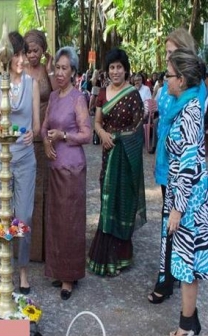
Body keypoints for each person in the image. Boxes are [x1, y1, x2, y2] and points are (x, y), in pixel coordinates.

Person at [148, 28, 207, 304]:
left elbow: (188, 159)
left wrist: (178, 207)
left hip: (186, 184)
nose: (167, 62)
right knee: (172, 235)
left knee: (182, 238)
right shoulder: (174, 95)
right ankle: (169, 279)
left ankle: (186, 315)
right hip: (169, 172)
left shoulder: (193, 102)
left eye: (172, 54)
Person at [0, 31, 40, 294]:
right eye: (16, 54)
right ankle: (5, 269)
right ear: (7, 57)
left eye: (23, 53)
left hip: (25, 157)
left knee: (25, 215)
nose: (21, 59)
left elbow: (37, 126)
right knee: (4, 218)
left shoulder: (32, 83)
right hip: (0, 156)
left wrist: (33, 132)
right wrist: (3, 103)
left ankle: (23, 269)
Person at [87, 48, 146, 277]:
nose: (115, 71)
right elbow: (98, 121)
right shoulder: (103, 93)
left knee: (122, 201)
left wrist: (119, 137)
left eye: (119, 67)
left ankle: (120, 256)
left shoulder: (132, 94)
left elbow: (138, 129)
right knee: (106, 199)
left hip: (125, 157)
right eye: (112, 67)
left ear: (126, 69)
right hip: (108, 155)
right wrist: (102, 134)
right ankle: (105, 254)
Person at [41, 46, 91, 300]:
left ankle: (69, 277)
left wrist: (63, 136)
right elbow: (44, 127)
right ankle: (58, 271)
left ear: (73, 72)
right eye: (57, 68)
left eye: (64, 68)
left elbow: (87, 134)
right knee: (56, 222)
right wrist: (48, 142)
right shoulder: (53, 97)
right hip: (54, 167)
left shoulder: (77, 98)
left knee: (70, 223)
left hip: (73, 169)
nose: (59, 73)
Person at [164, 49, 208, 336]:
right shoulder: (185, 105)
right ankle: (189, 324)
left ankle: (186, 329)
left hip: (189, 202)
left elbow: (189, 162)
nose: (165, 80)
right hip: (186, 198)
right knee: (185, 266)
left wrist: (178, 209)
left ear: (181, 79)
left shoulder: (190, 111)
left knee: (187, 266)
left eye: (168, 75)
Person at [23, 29, 55, 262]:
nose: (32, 55)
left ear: (43, 50)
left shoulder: (47, 70)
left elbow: (56, 94)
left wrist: (51, 66)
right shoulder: (21, 71)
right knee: (26, 192)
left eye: (36, 50)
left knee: (44, 192)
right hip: (24, 138)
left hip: (44, 136)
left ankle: (44, 248)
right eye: (29, 51)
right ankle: (25, 247)